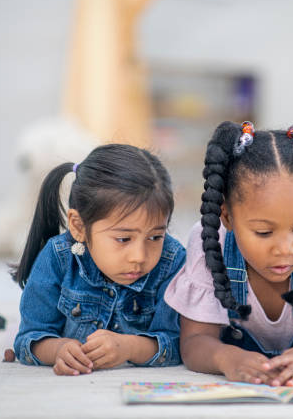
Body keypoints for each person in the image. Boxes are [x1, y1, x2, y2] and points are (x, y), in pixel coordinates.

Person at [165, 120, 293, 386]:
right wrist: (226, 359)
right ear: (226, 215)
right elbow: (194, 341)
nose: (284, 249)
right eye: (263, 232)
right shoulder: (209, 240)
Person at [12, 144, 185, 375]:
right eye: (124, 239)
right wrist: (58, 349)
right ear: (79, 226)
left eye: (155, 236)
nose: (140, 256)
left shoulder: (172, 261)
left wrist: (130, 347)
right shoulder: (59, 258)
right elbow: (28, 339)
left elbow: (181, 345)